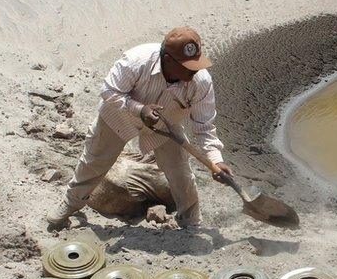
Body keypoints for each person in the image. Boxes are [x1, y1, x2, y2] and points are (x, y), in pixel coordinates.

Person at [47, 26, 232, 229]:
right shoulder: (136, 61)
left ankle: (191, 221)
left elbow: (204, 126)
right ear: (168, 60)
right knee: (94, 162)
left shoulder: (201, 81)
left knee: (181, 172)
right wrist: (139, 109)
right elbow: (109, 91)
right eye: (188, 67)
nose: (195, 70)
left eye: (197, 64)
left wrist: (216, 160)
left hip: (166, 125)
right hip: (118, 116)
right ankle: (70, 203)